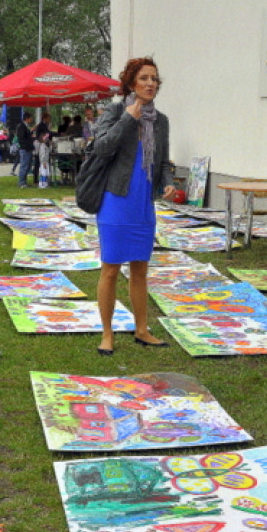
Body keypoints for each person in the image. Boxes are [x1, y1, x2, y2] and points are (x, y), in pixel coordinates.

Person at [92, 56, 176, 355]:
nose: (151, 83)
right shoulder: (115, 111)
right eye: (144, 78)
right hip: (116, 199)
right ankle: (106, 333)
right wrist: (129, 118)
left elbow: (163, 159)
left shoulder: (161, 120)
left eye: (154, 78)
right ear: (130, 82)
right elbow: (100, 147)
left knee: (140, 269)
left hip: (143, 203)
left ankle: (142, 329)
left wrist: (167, 180)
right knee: (111, 270)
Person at [16, 113, 36, 188]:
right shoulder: (21, 126)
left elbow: (26, 136)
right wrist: (27, 144)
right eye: (30, 118)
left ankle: (24, 181)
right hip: (25, 149)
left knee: (27, 165)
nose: (31, 120)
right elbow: (22, 138)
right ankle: (21, 182)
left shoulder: (25, 126)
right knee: (24, 165)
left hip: (28, 148)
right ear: (27, 118)